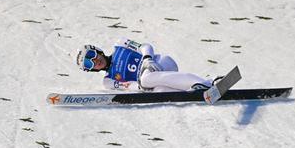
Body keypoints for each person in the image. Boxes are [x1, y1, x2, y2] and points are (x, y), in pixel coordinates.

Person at [75, 38, 219, 92]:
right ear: (91, 70)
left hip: (161, 63)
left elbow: (144, 46)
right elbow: (128, 86)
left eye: (91, 56)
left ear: (97, 51)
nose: (94, 61)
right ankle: (194, 92)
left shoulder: (120, 45)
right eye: (89, 64)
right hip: (153, 81)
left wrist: (147, 59)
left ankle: (206, 82)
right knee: (159, 91)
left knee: (146, 79)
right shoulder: (108, 81)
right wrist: (140, 87)